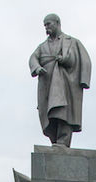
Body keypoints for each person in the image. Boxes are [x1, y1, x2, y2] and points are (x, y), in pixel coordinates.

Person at [28, 13, 91, 148]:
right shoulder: (42, 46)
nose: (46, 27)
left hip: (66, 83)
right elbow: (33, 58)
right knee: (49, 115)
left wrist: (69, 62)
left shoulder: (72, 42)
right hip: (47, 84)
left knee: (63, 111)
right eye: (44, 25)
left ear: (57, 22)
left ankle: (63, 141)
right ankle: (56, 141)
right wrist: (37, 68)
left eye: (48, 24)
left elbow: (84, 60)